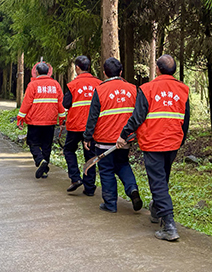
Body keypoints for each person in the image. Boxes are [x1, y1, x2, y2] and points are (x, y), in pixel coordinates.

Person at [117, 54, 189, 241]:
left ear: (157, 69)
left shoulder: (148, 89)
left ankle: (170, 225)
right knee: (162, 178)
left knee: (157, 182)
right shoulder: (183, 89)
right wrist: (181, 140)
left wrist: (123, 134)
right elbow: (185, 119)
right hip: (173, 141)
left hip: (153, 142)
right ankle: (157, 211)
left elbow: (138, 116)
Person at [84, 57, 143, 213]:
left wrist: (87, 136)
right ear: (121, 72)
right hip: (125, 139)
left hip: (104, 139)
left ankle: (110, 204)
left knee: (106, 169)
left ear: (104, 73)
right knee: (123, 164)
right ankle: (132, 190)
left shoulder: (100, 90)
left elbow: (93, 116)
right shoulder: (132, 89)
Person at [17, 62, 66, 179]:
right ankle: (45, 170)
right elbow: (60, 104)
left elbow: (26, 103)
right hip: (50, 122)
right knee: (46, 145)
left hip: (35, 122)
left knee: (33, 143)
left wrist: (20, 118)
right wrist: (62, 120)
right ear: (48, 72)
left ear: (37, 72)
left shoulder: (33, 85)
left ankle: (40, 160)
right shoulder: (55, 85)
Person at [61, 55, 101, 194]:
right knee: (90, 155)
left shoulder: (73, 85)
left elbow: (65, 103)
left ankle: (75, 178)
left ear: (77, 68)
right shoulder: (99, 83)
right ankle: (89, 188)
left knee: (69, 150)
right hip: (93, 127)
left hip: (75, 125)